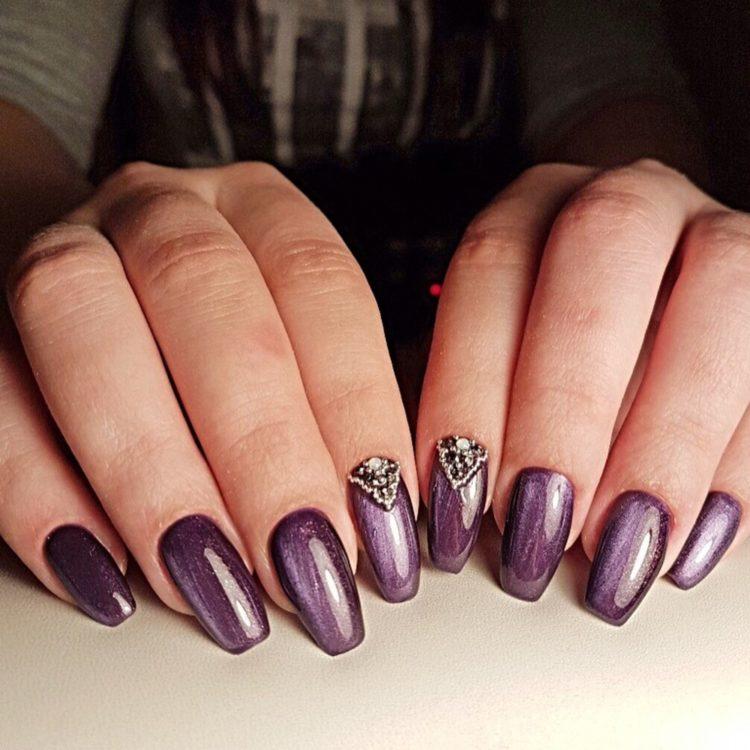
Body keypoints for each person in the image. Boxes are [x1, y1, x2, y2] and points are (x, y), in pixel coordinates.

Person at [0, 0, 746, 656]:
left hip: (500, 361)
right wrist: (54, 260)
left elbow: (615, 103)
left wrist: (639, 240)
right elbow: (20, 100)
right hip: (194, 378)